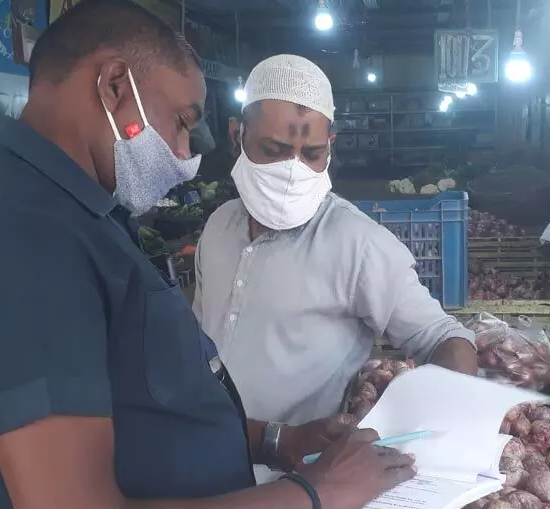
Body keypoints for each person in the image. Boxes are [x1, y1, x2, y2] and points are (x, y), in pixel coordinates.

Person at [0, 2, 415, 509]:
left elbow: (131, 405)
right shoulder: (16, 237)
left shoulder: (69, 217)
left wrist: (274, 440)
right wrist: (313, 496)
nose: (187, 153)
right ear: (115, 87)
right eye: (183, 120)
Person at [192, 55, 480, 457]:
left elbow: (443, 337)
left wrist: (442, 419)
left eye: (310, 154)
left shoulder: (359, 244)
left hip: (296, 484)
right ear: (236, 135)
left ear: (331, 146)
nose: (292, 170)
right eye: (273, 149)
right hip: (199, 456)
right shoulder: (219, 227)